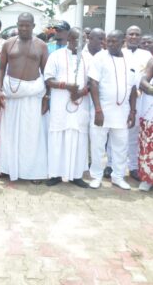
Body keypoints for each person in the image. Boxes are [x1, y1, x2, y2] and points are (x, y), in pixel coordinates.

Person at [0, 13, 48, 182]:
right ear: (17, 25)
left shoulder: (41, 45)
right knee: (7, 133)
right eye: (21, 25)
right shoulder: (8, 44)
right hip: (10, 93)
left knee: (31, 134)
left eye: (27, 25)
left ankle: (33, 171)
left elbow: (47, 73)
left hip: (32, 94)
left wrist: (47, 98)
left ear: (33, 26)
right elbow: (0, 68)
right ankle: (6, 168)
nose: (24, 28)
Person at [88, 30, 137, 190]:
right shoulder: (99, 57)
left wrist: (132, 111)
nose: (109, 44)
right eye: (108, 41)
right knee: (97, 145)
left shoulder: (130, 59)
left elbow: (133, 87)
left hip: (123, 111)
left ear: (123, 42)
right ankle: (96, 176)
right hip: (102, 110)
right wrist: (97, 110)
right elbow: (93, 83)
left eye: (114, 41)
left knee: (121, 145)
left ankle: (118, 176)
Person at [44, 27, 90, 187]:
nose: (82, 43)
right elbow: (48, 80)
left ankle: (76, 175)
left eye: (85, 39)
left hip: (80, 105)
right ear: (70, 38)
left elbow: (92, 81)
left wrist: (81, 92)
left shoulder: (88, 58)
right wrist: (66, 86)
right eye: (79, 39)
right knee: (58, 138)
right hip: (60, 105)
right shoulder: (56, 56)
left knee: (78, 138)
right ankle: (55, 174)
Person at [123, 25, 152, 181]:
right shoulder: (118, 52)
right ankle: (111, 165)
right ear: (126, 36)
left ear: (140, 38)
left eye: (137, 34)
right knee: (117, 133)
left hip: (140, 100)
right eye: (131, 34)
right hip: (120, 99)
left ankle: (133, 167)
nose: (134, 36)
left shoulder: (146, 55)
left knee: (134, 134)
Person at [138, 57, 153, 191]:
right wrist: (152, 89)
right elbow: (143, 82)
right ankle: (148, 179)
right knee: (150, 146)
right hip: (152, 111)